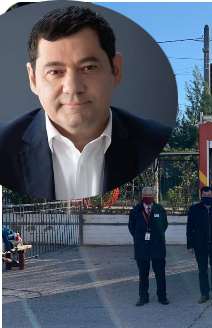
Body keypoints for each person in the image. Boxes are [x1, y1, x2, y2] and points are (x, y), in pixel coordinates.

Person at [0, 6, 170, 200]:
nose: (72, 87)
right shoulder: (3, 147)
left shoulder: (153, 142)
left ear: (115, 70)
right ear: (33, 79)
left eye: (88, 68)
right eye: (55, 71)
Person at [186, 186, 212, 304]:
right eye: (204, 196)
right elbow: (189, 228)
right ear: (201, 196)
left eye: (209, 196)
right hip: (200, 246)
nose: (207, 198)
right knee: (202, 270)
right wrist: (190, 245)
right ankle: (204, 294)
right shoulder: (194, 209)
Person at [128, 187, 168, 306]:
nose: (148, 196)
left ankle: (162, 296)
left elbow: (164, 225)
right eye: (145, 194)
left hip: (157, 246)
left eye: (150, 194)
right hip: (142, 248)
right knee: (143, 274)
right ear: (142, 195)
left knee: (160, 274)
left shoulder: (159, 209)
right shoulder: (135, 210)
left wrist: (156, 236)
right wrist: (139, 238)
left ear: (154, 195)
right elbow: (131, 228)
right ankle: (143, 297)